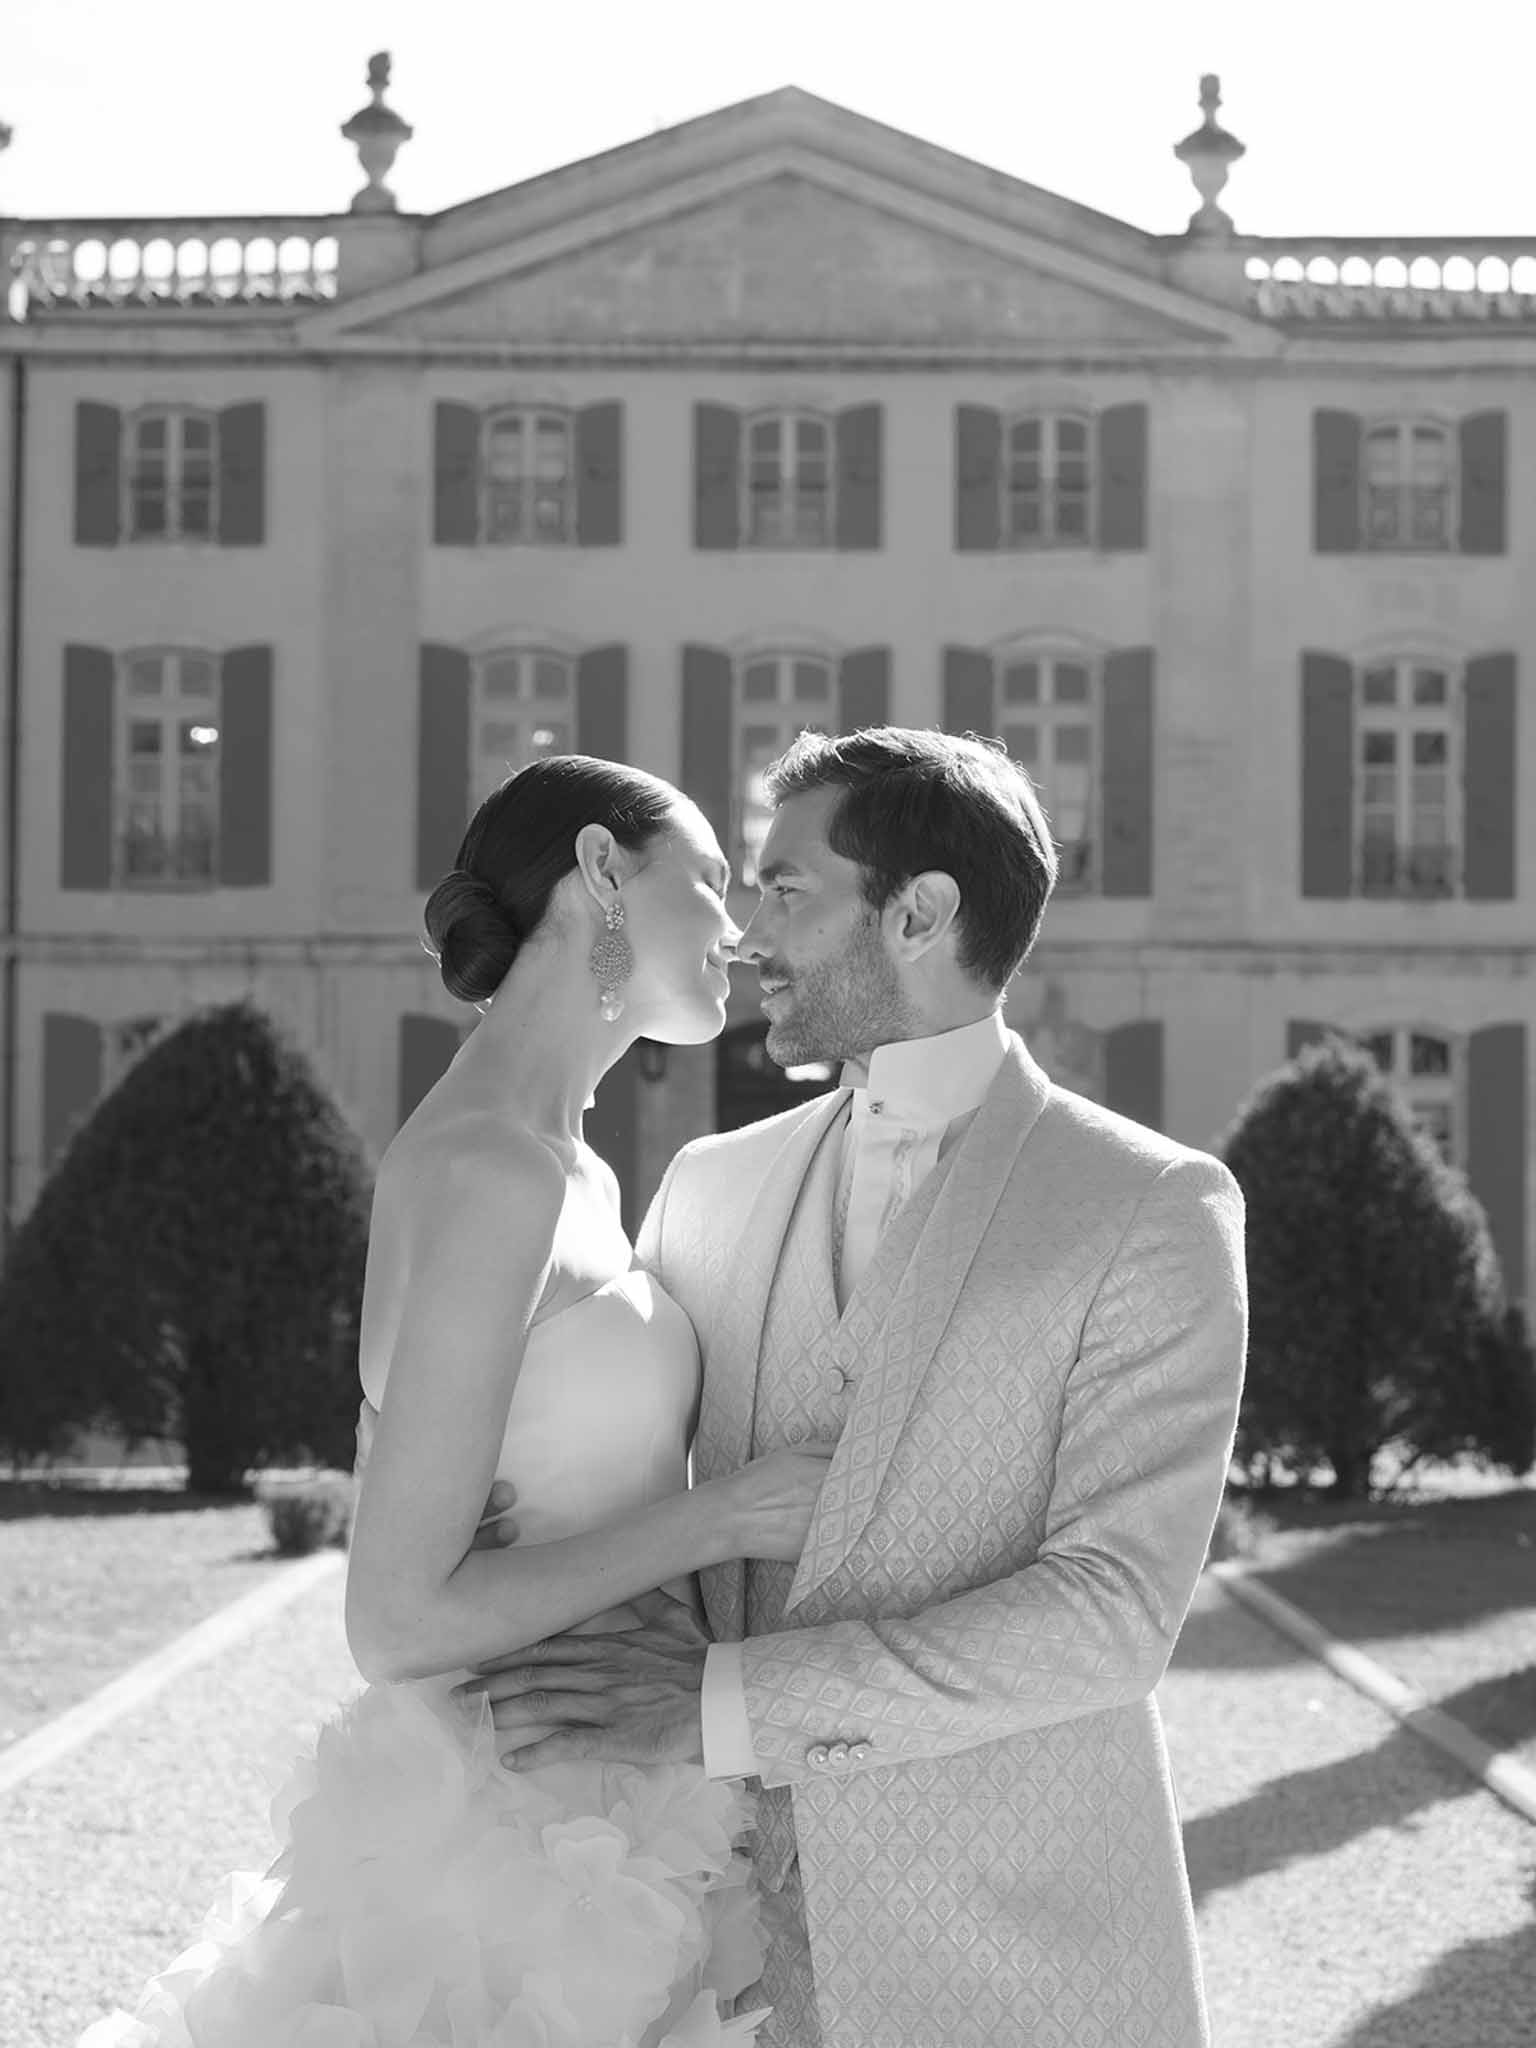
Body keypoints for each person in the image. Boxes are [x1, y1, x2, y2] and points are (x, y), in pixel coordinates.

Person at [464, 727, 1249, 2048]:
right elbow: (631, 1479)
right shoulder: (710, 1186)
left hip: (1017, 1966)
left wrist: (722, 1707)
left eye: (784, 889)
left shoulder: (1151, 1209)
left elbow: (1111, 1615)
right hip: (703, 1953)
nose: (743, 932)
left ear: (922, 912)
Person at [78, 755, 840, 2048]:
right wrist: (727, 1522)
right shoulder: (492, 1173)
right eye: (711, 882)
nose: (740, 926)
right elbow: (394, 1616)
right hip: (508, 1860)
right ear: (601, 872)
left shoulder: (569, 1167)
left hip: (616, 1817)